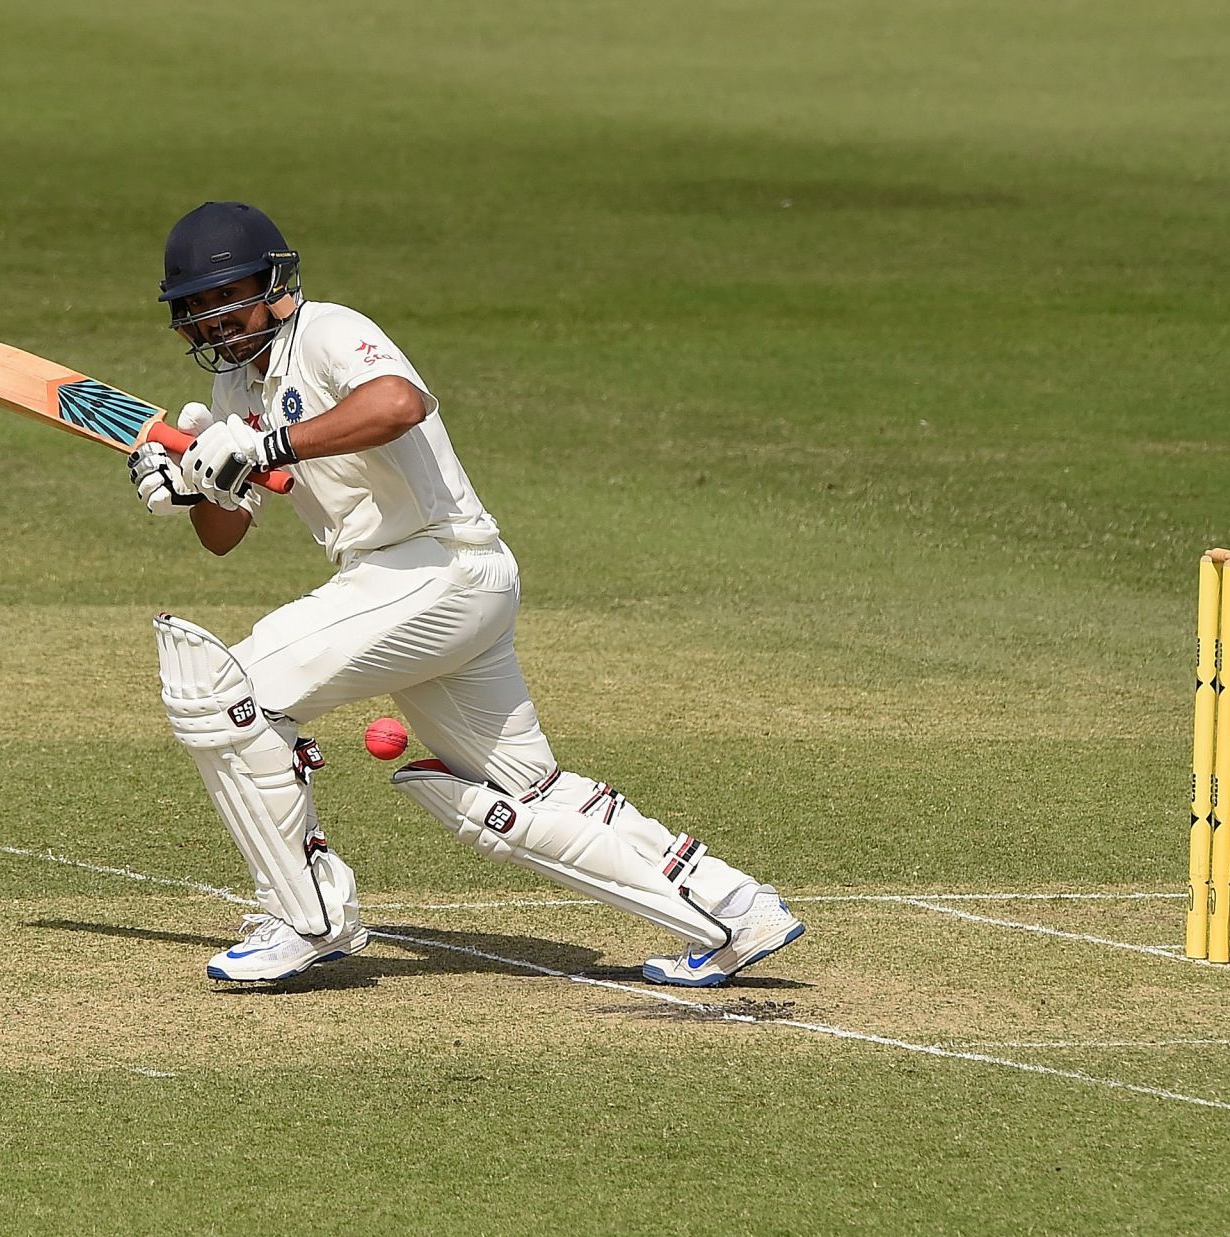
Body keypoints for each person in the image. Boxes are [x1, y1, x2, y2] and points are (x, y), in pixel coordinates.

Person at [128, 201, 804, 988]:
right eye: (196, 308)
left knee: (223, 694)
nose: (214, 321)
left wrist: (266, 444)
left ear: (274, 284)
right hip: (410, 588)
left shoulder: (326, 331)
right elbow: (224, 535)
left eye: (226, 297)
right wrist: (192, 484)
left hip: (436, 568)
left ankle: (305, 918)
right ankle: (736, 908)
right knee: (523, 795)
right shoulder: (245, 385)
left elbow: (397, 404)